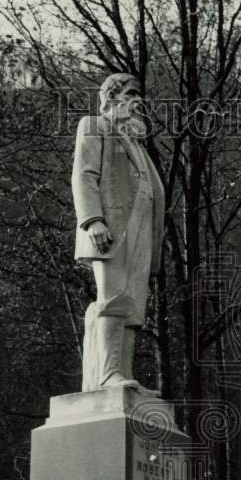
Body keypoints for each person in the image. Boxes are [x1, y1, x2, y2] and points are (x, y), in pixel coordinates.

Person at [72, 73, 165, 392]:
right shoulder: (94, 125)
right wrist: (92, 220)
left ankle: (122, 373)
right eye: (131, 93)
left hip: (142, 229)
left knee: (134, 304)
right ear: (112, 97)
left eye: (139, 95)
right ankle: (108, 372)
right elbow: (83, 175)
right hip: (111, 227)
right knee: (113, 297)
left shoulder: (137, 142)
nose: (137, 101)